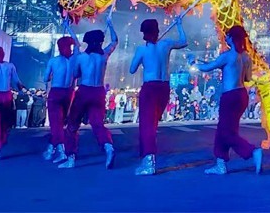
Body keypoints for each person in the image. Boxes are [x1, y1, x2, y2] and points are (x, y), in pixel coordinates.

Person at [189, 24, 263, 175]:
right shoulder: (246, 57)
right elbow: (248, 78)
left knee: (226, 132)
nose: (225, 38)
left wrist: (192, 62)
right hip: (241, 95)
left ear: (232, 38)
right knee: (225, 129)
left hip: (230, 97)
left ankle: (252, 151)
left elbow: (207, 68)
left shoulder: (227, 56)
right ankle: (220, 163)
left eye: (227, 35)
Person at [129, 15, 187, 176]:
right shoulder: (166, 45)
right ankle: (147, 157)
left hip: (150, 87)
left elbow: (132, 69)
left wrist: (143, 59)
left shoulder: (142, 50)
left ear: (144, 34)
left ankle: (149, 161)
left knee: (147, 125)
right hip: (164, 87)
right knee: (153, 124)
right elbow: (184, 41)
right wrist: (179, 24)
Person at [59, 14, 117, 170]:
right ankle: (108, 146)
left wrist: (68, 28)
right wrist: (110, 25)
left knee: (72, 125)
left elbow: (76, 74)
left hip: (84, 90)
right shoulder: (104, 55)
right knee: (97, 124)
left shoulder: (81, 57)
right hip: (99, 91)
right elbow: (115, 41)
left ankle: (71, 157)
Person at [43, 34, 77, 163]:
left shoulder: (53, 61)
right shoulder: (74, 60)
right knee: (61, 122)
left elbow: (45, 78)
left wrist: (52, 76)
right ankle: (51, 147)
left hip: (56, 92)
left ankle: (61, 150)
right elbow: (78, 45)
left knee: (55, 123)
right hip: (69, 93)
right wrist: (69, 30)